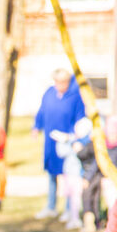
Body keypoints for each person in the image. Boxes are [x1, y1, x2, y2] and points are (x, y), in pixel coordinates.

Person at [33, 68, 86, 220]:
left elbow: (79, 119)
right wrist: (37, 127)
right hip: (50, 140)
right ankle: (51, 206)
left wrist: (73, 137)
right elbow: (42, 111)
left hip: (66, 141)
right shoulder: (49, 93)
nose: (59, 85)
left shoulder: (75, 97)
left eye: (62, 82)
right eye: (57, 81)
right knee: (51, 173)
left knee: (68, 174)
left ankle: (69, 209)